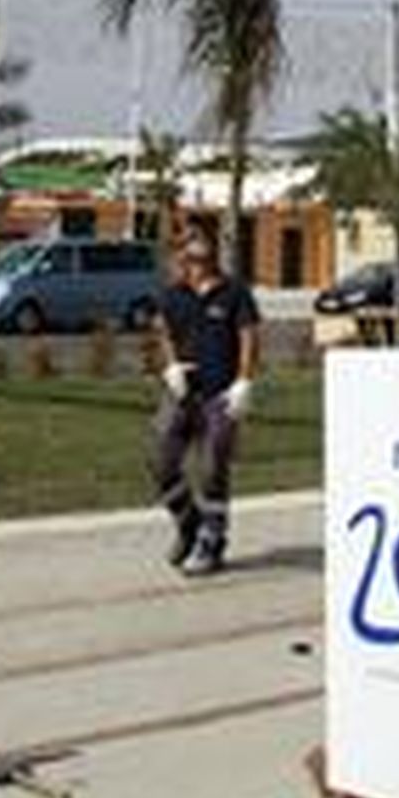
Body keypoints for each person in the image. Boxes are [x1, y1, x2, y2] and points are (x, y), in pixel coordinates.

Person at [152, 214, 260, 577]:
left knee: (214, 463)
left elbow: (248, 336)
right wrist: (170, 367)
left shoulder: (233, 291)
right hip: (183, 392)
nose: (195, 246)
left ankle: (212, 540)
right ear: (181, 253)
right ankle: (188, 523)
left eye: (200, 240)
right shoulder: (173, 294)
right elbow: (164, 332)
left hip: (221, 392)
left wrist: (244, 381)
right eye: (188, 242)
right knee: (162, 461)